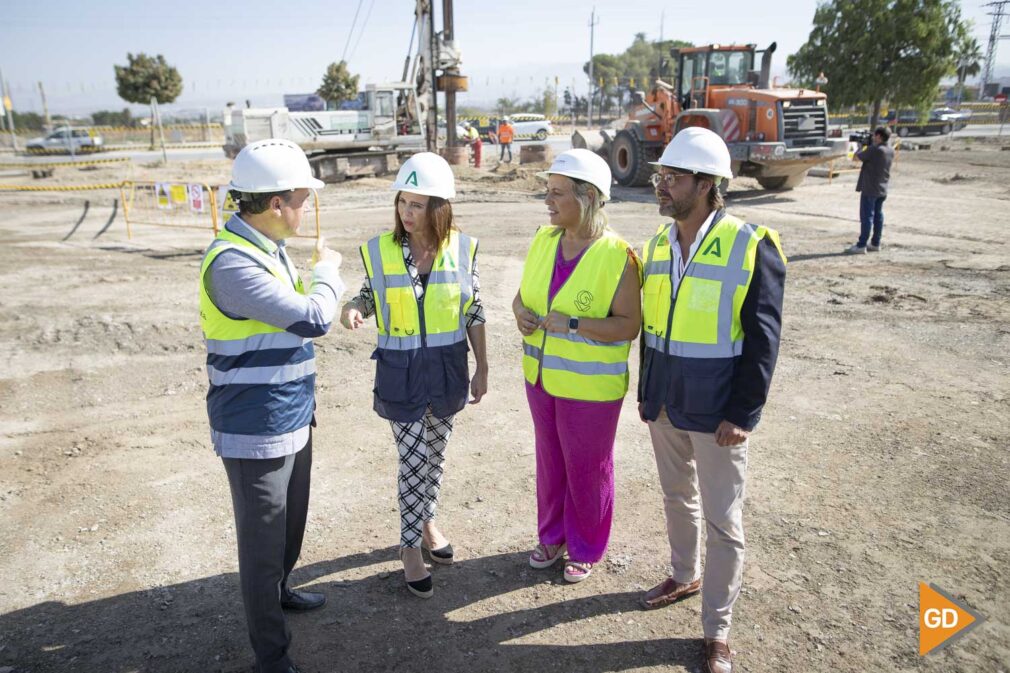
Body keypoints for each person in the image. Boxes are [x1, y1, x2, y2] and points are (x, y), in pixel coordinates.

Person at [637, 127, 786, 673]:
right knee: (678, 499)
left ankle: (716, 630)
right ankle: (683, 574)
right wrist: (648, 395)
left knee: (725, 523)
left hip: (720, 412)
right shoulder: (656, 246)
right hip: (667, 405)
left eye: (672, 178)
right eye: (660, 176)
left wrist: (744, 414)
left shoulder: (752, 244)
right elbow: (652, 330)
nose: (661, 186)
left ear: (705, 184)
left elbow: (764, 339)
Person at [200, 138, 345, 673]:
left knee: (288, 526)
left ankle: (283, 591)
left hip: (290, 414)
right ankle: (271, 655)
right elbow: (313, 318)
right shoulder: (232, 263)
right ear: (278, 203)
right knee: (261, 547)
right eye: (302, 198)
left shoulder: (268, 249)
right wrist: (328, 270)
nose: (306, 208)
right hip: (254, 426)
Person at [339, 152, 488, 598]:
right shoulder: (380, 250)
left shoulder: (462, 248)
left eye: (417, 205)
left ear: (438, 207)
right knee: (413, 459)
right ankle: (408, 548)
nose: (406, 212)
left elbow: (474, 309)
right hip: (400, 374)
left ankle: (426, 522)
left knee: (435, 455)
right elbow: (368, 295)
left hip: (446, 371)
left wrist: (484, 365)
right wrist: (353, 308)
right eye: (402, 202)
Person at [513, 149, 641, 584]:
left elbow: (628, 326)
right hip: (542, 378)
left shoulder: (618, 255)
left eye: (556, 193)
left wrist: (574, 323)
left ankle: (586, 544)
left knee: (587, 467)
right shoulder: (543, 240)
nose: (547, 201)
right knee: (550, 462)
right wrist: (519, 313)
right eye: (547, 192)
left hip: (590, 390)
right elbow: (522, 295)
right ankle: (551, 536)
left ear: (587, 197)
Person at [846, 125, 894, 254]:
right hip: (882, 188)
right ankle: (875, 243)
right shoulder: (890, 150)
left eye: (874, 135)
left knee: (867, 217)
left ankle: (861, 245)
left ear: (878, 136)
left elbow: (855, 157)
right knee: (878, 216)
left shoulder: (875, 150)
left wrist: (860, 146)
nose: (872, 138)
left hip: (870, 188)